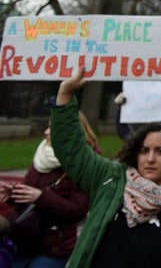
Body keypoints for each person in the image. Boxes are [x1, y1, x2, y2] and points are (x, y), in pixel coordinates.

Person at [49, 67, 161, 267]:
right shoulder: (110, 180)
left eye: (160, 152)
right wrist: (65, 94)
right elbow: (72, 150)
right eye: (143, 150)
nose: (150, 159)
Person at [0, 112, 96, 268]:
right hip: (24, 239)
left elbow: (78, 211)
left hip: (53, 248)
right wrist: (13, 194)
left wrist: (41, 197)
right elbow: (28, 192)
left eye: (53, 128)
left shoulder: (85, 164)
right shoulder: (42, 155)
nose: (45, 132)